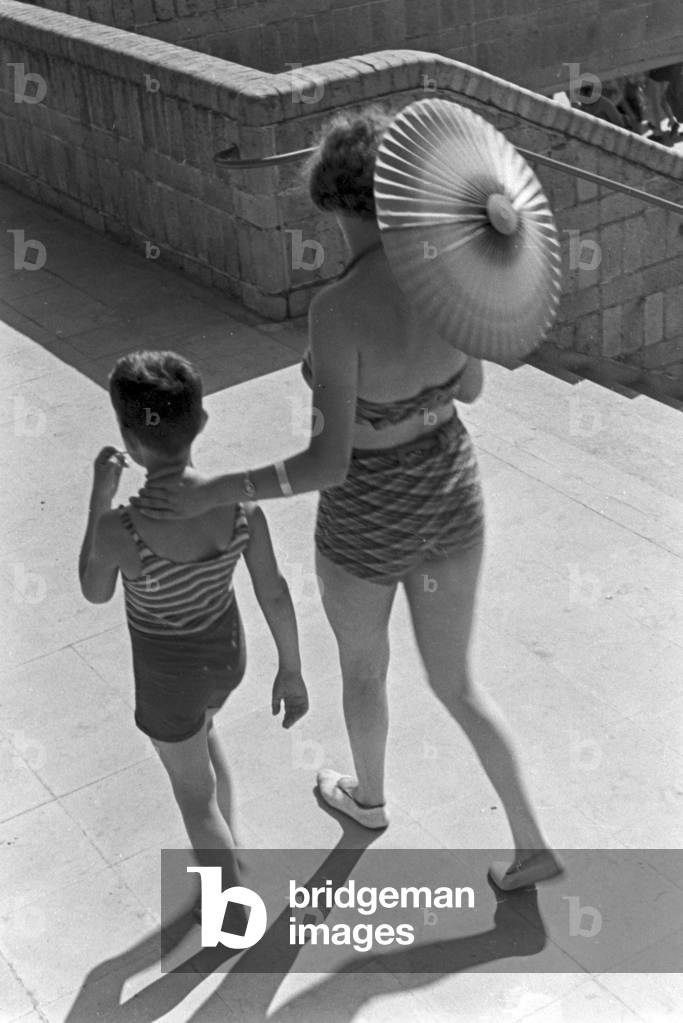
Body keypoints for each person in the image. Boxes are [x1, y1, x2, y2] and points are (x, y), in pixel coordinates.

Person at [132, 108, 562, 891]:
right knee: (458, 682)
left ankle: (368, 797)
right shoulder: (447, 281)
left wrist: (219, 485)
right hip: (449, 490)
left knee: (364, 671)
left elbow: (327, 464)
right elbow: (467, 384)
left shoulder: (336, 309)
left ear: (332, 204)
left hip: (367, 513)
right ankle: (531, 839)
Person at [79, 350, 308, 892]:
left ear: (130, 442)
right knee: (203, 745)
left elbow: (94, 590)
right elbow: (273, 593)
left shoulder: (122, 528)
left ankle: (231, 908)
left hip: (167, 680)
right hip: (225, 660)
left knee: (193, 797)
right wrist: (292, 669)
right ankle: (233, 851)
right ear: (201, 421)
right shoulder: (241, 509)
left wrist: (99, 497)